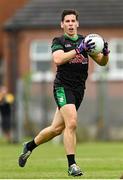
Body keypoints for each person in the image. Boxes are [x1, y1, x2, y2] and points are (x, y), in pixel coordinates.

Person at [18, 9, 110, 176]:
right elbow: (58, 59)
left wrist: (105, 53)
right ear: (62, 24)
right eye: (67, 21)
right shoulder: (59, 41)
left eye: (73, 21)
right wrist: (78, 50)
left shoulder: (86, 41)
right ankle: (72, 165)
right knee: (72, 123)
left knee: (56, 129)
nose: (70, 24)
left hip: (79, 89)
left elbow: (102, 63)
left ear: (77, 23)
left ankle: (29, 146)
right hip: (62, 87)